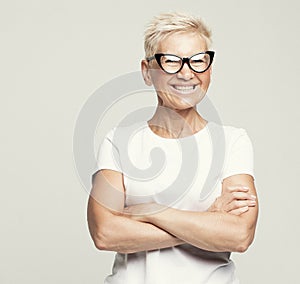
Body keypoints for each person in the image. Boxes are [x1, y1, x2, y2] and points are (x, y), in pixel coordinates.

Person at [87, 12, 258, 284]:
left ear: (210, 70)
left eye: (198, 61)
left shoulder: (233, 142)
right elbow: (105, 233)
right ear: (147, 71)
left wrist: (150, 210)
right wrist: (206, 222)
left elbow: (239, 235)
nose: (186, 73)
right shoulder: (118, 142)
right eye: (171, 62)